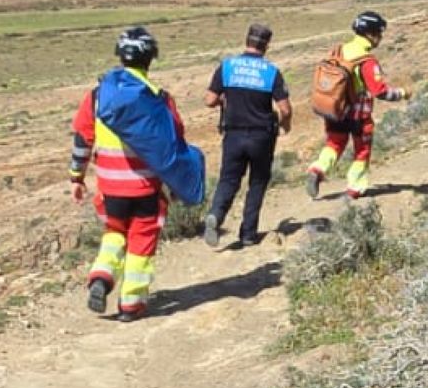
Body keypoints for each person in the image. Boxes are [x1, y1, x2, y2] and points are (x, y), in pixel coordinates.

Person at [69, 25, 205, 322]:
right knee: (141, 242)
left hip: (110, 187)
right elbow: (173, 142)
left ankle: (101, 277)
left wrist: (76, 177)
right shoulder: (159, 98)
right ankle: (130, 304)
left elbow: (82, 139)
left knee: (114, 232)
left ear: (121, 56)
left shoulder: (96, 96)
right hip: (145, 189)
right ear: (150, 59)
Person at [203, 23, 292, 250]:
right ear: (266, 45)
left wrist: (225, 98)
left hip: (233, 134)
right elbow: (285, 109)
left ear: (247, 41)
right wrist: (285, 125)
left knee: (228, 180)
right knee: (258, 182)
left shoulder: (227, 66)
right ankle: (248, 234)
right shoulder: (271, 71)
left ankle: (216, 214)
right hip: (262, 136)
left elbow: (209, 100)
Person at [307, 10, 410, 201]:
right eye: (379, 33)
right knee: (362, 149)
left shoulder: (338, 51)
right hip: (359, 116)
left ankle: (317, 169)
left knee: (334, 143)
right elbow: (380, 91)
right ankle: (355, 188)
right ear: (370, 34)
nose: (380, 37)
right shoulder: (367, 61)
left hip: (335, 110)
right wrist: (402, 94)